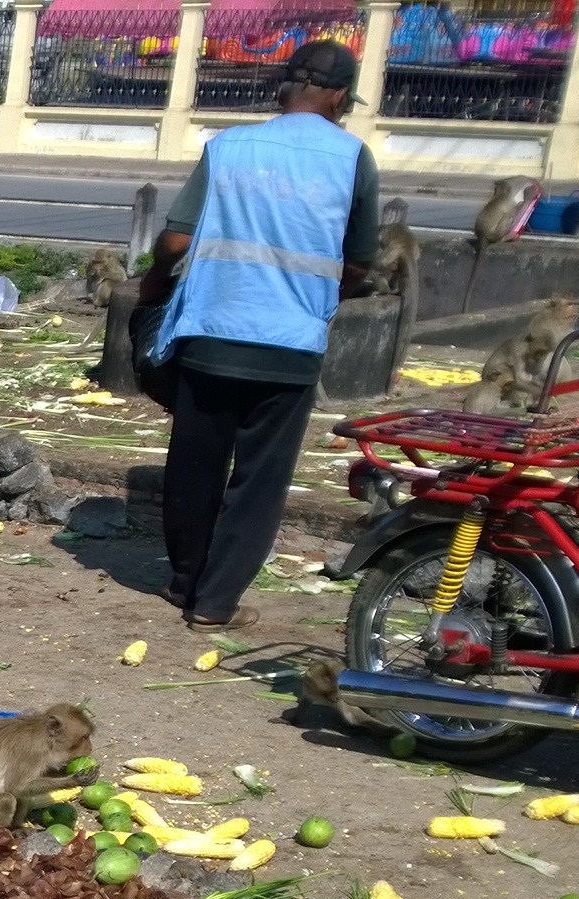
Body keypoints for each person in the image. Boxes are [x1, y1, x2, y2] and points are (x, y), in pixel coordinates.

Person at [136, 38, 382, 632]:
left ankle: (184, 581)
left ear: (283, 88)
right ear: (340, 98)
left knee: (195, 462)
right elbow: (359, 261)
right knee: (260, 480)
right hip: (290, 345)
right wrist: (326, 297)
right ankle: (215, 602)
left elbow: (175, 241)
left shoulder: (228, 146)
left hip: (212, 333)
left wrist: (152, 286)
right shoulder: (353, 158)